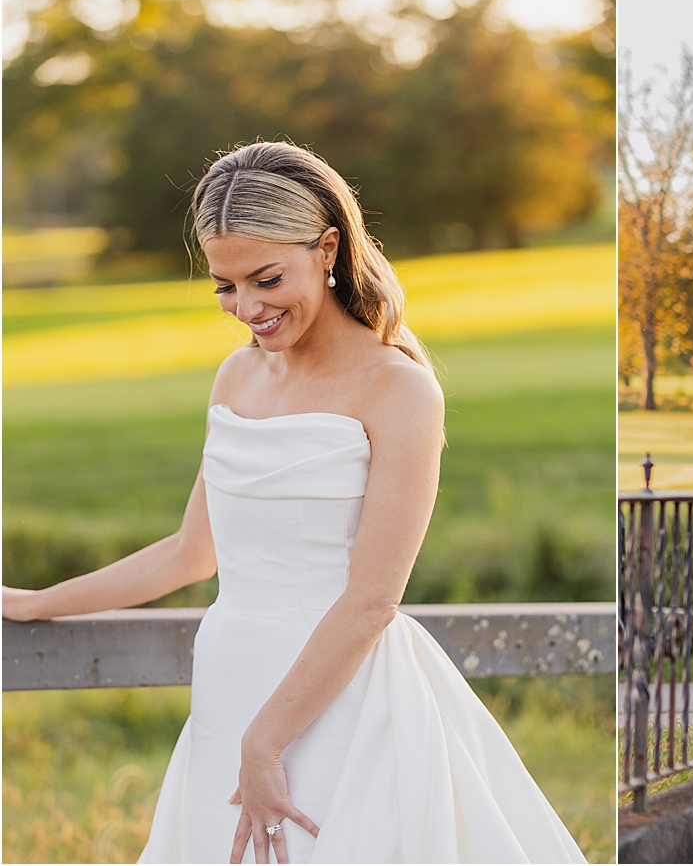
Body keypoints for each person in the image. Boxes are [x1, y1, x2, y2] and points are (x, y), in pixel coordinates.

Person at [1, 142, 586, 863]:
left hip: (339, 700)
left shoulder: (398, 389)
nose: (247, 308)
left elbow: (372, 600)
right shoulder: (236, 378)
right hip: (230, 685)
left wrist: (267, 739)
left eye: (266, 278)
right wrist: (32, 603)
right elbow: (190, 554)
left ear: (328, 248)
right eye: (224, 286)